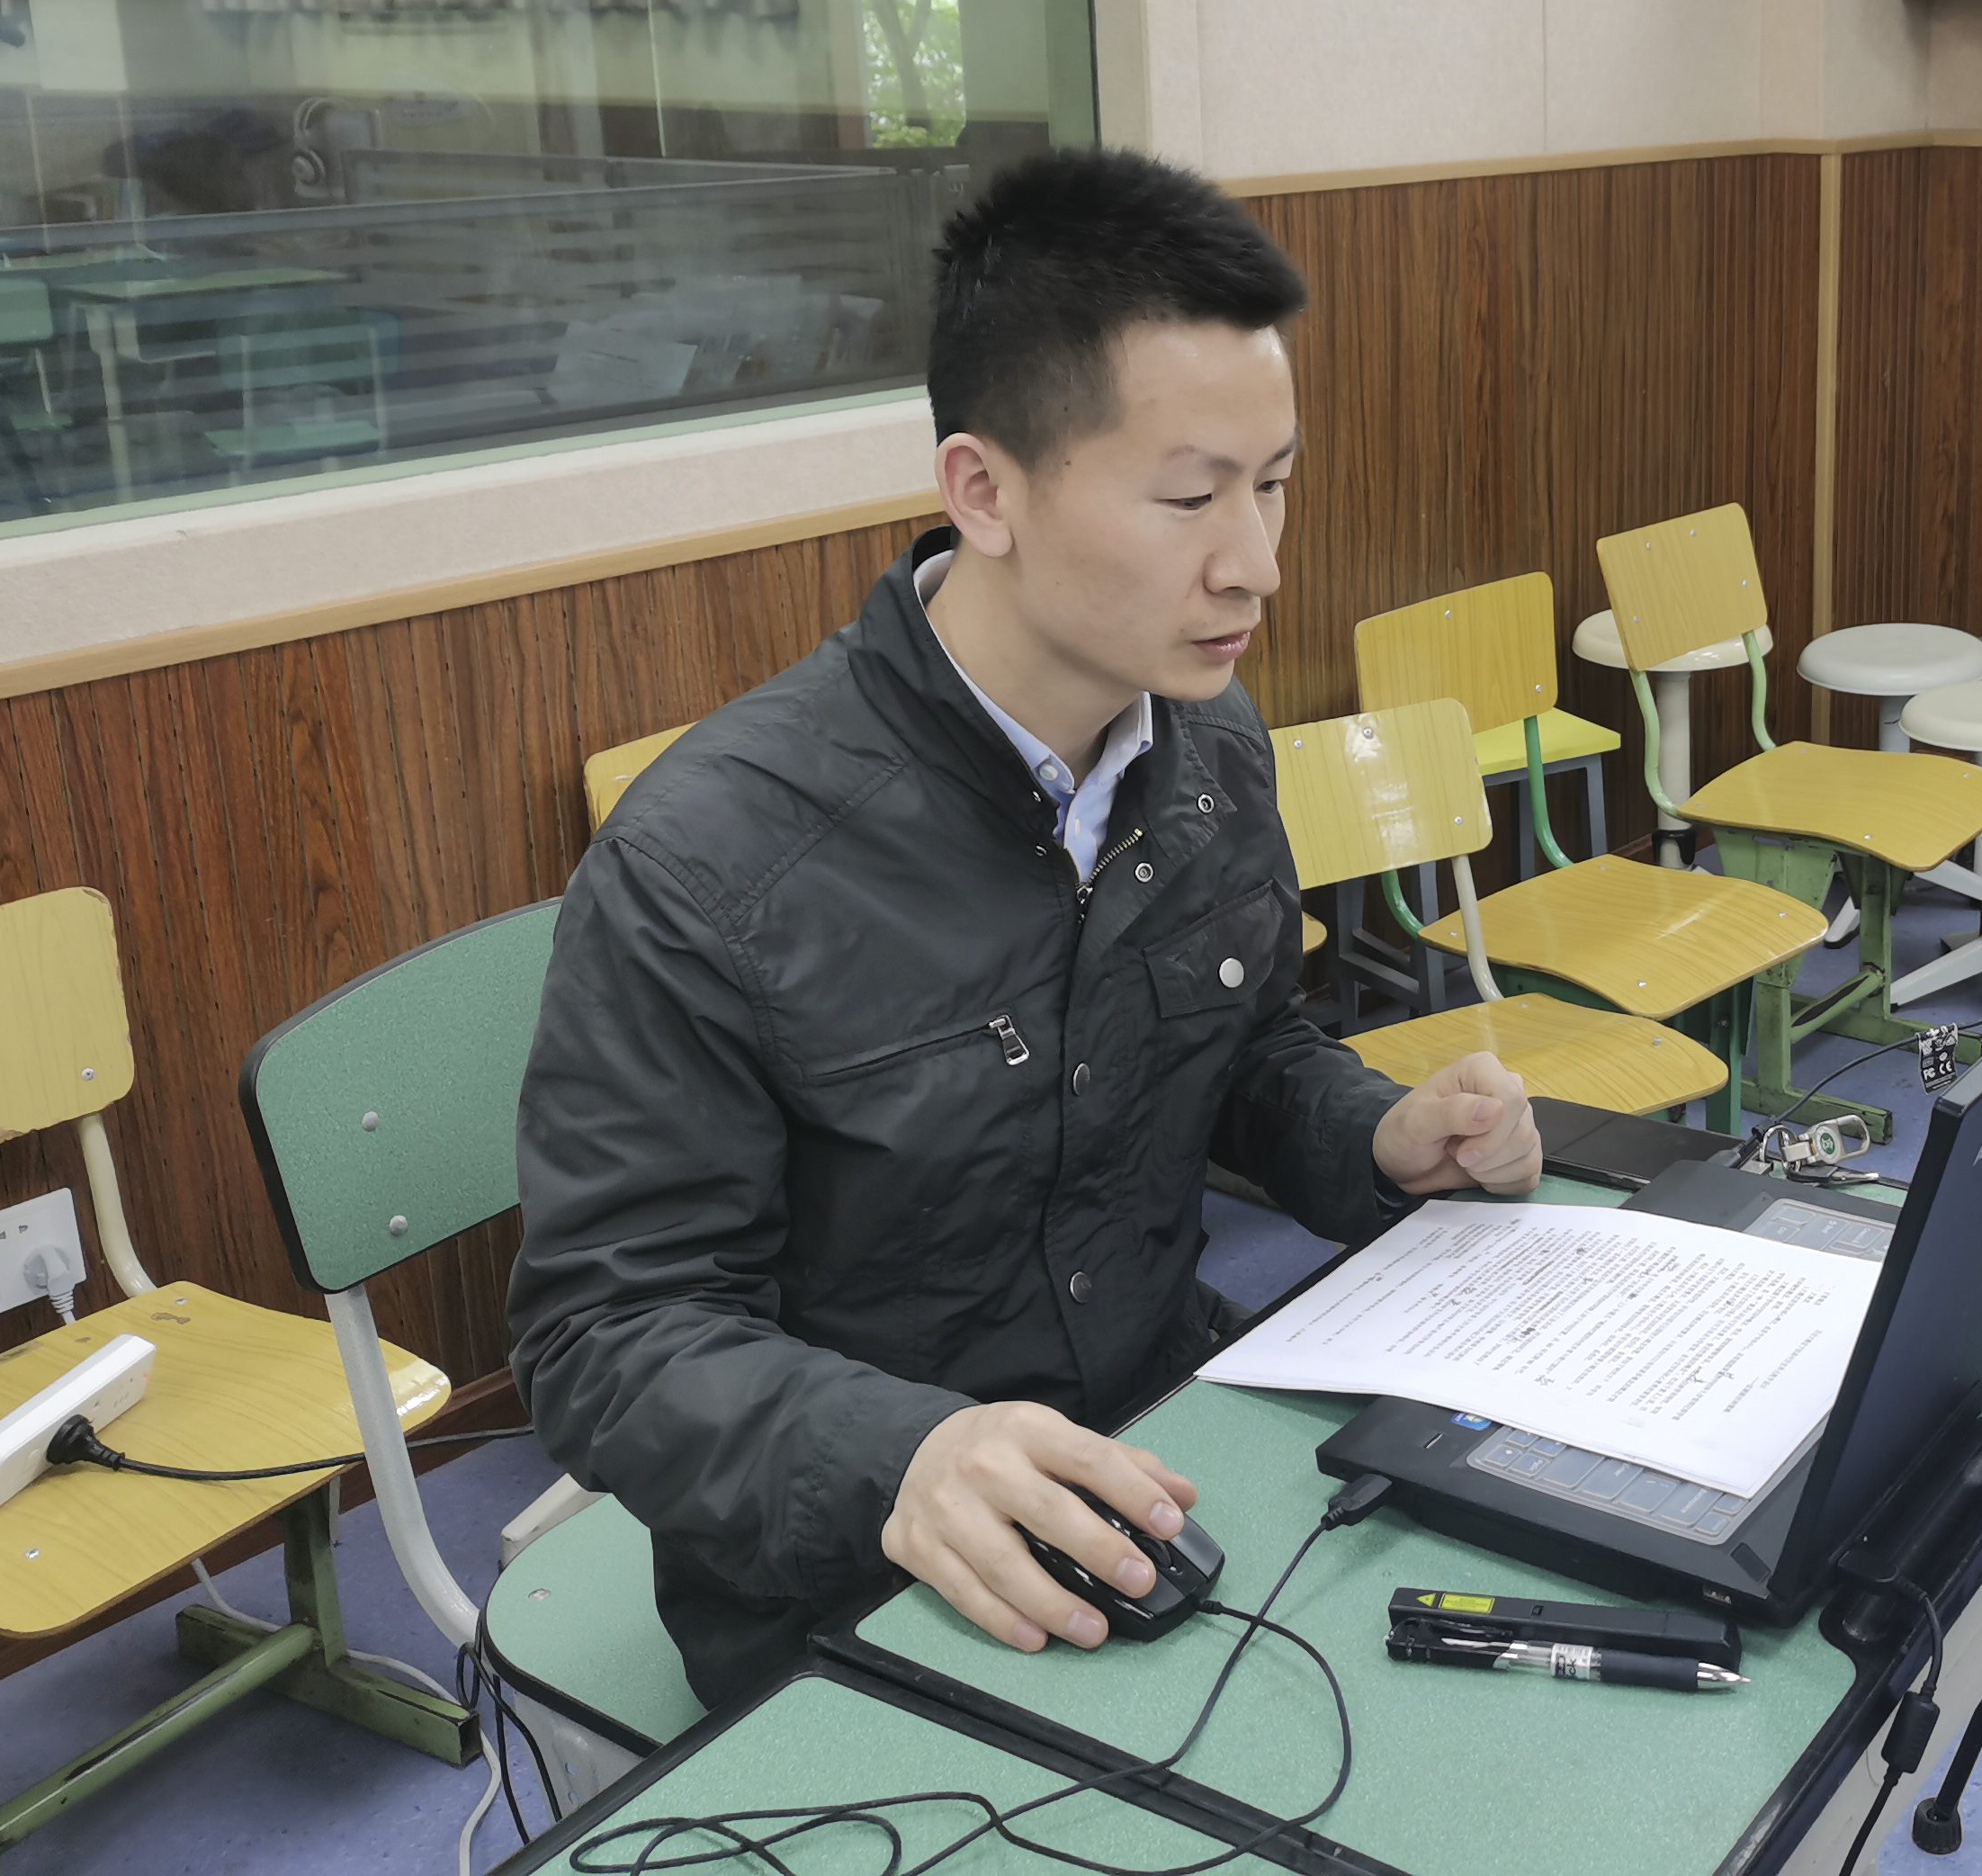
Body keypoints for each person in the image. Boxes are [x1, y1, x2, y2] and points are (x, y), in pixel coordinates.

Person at [507, 148, 1542, 1707]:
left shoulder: (1206, 740)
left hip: (1165, 1448)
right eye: (1189, 497)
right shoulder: (713, 862)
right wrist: (909, 1454)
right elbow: (608, 1332)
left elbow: (1243, 1051)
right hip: (862, 1575)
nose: (1257, 562)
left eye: (1273, 484)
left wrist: (1378, 1137)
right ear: (983, 491)